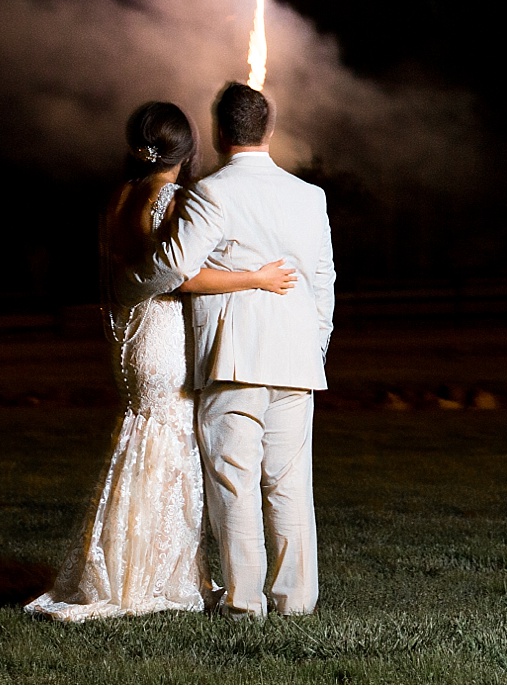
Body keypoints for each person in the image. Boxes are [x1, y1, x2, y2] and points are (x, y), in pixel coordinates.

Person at [25, 101, 296, 623]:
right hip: (163, 334)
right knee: (169, 447)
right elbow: (182, 275)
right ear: (187, 149)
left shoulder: (120, 197)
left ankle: (129, 567)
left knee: (141, 441)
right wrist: (256, 278)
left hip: (130, 334)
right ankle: (157, 577)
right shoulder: (170, 198)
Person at [126, 82, 336, 618]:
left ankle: (244, 602)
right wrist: (314, 344)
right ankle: (296, 600)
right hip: (297, 360)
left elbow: (172, 268)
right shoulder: (310, 197)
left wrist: (134, 275)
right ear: (270, 129)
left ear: (219, 132)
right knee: (290, 486)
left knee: (234, 483)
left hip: (233, 357)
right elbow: (323, 282)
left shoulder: (211, 193)